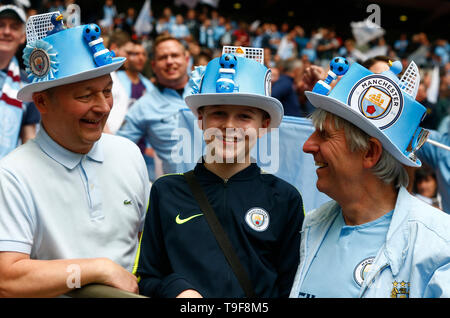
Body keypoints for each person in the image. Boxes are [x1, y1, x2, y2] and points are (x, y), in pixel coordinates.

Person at [0, 15, 150, 297]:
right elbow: (6, 280)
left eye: (107, 91)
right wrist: (95, 270)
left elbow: (149, 246)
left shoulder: (129, 153)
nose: (103, 106)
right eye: (85, 96)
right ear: (42, 101)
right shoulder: (11, 176)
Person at [135, 48, 304, 298]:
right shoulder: (166, 191)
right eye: (218, 114)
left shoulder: (284, 198)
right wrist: (177, 290)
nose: (229, 126)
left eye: (245, 116)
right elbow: (148, 277)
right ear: (201, 119)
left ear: (264, 124)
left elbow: (291, 286)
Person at [290, 57, 450, 298]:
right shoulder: (312, 225)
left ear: (370, 152)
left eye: (324, 135)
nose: (307, 145)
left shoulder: (439, 247)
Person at [117, 35, 192, 175]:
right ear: (153, 65)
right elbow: (117, 149)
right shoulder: (143, 107)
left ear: (186, 60)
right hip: (183, 191)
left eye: (175, 55)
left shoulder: (210, 91)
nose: (169, 61)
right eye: (163, 57)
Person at [0, 5, 40, 159]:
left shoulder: (28, 85)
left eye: (14, 27)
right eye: (1, 25)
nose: (6, 31)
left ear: (22, 37)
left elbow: (28, 139)